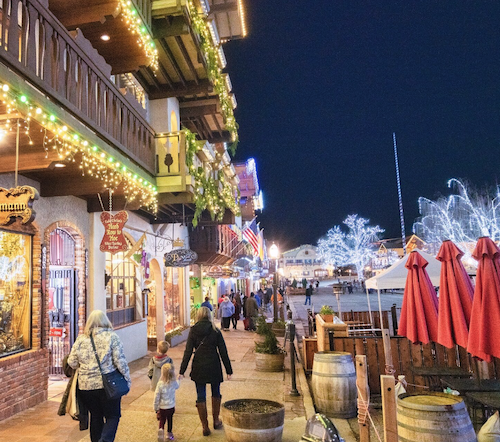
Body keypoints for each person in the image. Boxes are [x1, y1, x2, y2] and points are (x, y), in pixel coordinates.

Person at [68, 310, 131, 442]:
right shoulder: (112, 337)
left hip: (85, 387)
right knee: (113, 416)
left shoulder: (81, 339)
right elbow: (120, 361)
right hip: (107, 385)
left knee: (96, 416)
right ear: (105, 321)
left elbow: (72, 362)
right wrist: (127, 379)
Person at [179, 307, 233, 436]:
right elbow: (223, 351)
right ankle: (216, 420)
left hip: (199, 365)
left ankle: (205, 426)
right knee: (216, 392)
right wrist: (228, 370)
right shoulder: (215, 330)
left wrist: (182, 370)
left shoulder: (193, 331)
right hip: (214, 364)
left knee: (200, 395)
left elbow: (187, 352)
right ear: (209, 315)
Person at [154, 363, 180, 442]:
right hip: (171, 406)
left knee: (162, 420)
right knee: (170, 419)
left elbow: (156, 396)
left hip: (162, 407)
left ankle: (161, 430)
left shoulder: (160, 384)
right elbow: (177, 386)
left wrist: (156, 408)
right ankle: (169, 433)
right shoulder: (173, 383)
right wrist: (178, 379)